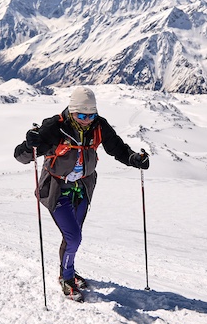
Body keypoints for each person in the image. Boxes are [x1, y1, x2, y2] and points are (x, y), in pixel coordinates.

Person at [13, 86, 150, 302]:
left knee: (73, 236)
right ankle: (66, 278)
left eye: (91, 115)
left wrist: (133, 159)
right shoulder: (55, 127)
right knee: (73, 237)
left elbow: (117, 148)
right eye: (82, 116)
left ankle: (68, 270)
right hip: (57, 188)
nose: (87, 120)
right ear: (72, 111)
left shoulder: (99, 126)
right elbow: (21, 156)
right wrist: (29, 145)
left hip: (83, 188)